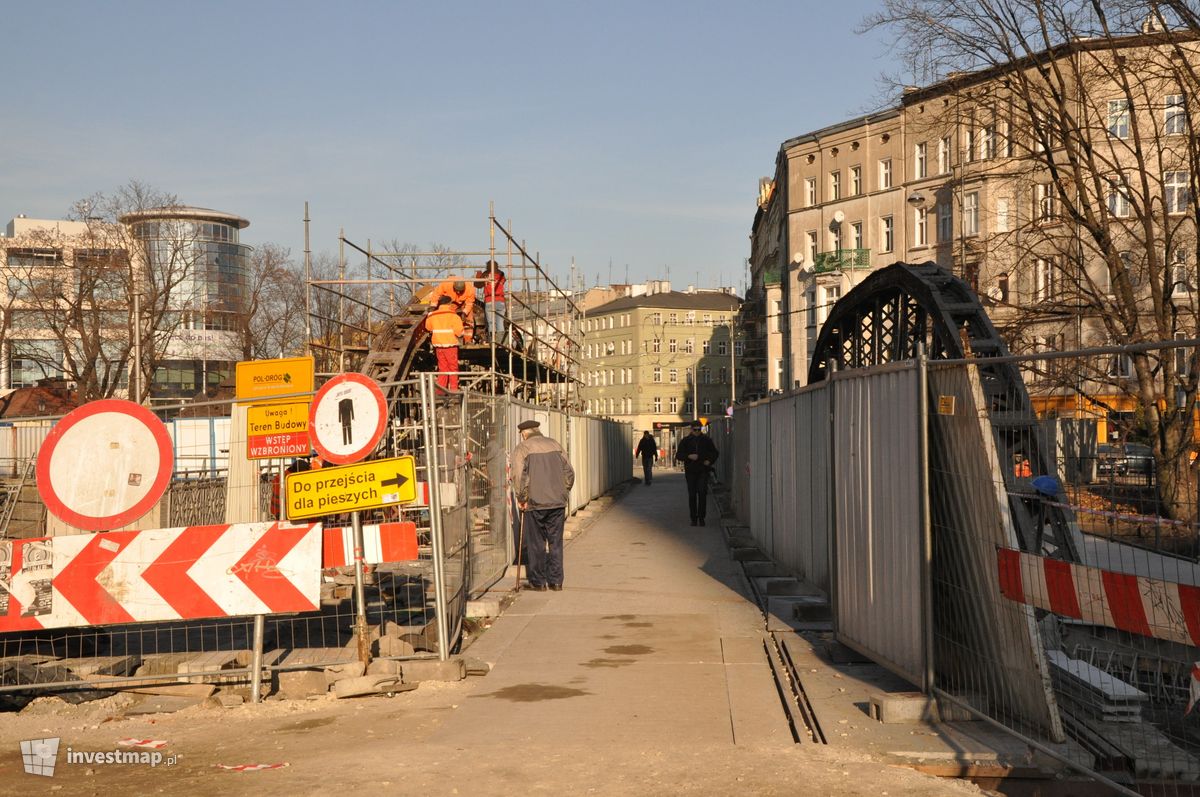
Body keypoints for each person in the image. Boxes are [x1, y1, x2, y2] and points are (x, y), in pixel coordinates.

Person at [510, 419, 575, 591]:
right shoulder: (555, 444)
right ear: (537, 430)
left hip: (535, 503)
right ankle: (556, 581)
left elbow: (518, 475)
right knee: (556, 543)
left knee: (536, 543)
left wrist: (522, 497)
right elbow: (569, 472)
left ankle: (538, 582)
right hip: (557, 502)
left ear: (524, 433)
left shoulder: (522, 448)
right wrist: (563, 491)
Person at [674, 420, 719, 526]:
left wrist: (709, 461)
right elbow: (678, 455)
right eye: (695, 430)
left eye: (699, 430)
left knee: (702, 493)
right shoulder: (685, 441)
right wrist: (688, 456)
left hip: (703, 470)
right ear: (691, 429)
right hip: (690, 471)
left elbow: (715, 453)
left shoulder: (706, 440)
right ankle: (693, 518)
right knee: (692, 495)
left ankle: (702, 518)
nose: (697, 432)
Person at [424, 295, 464, 392]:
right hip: (450, 345)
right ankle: (454, 390)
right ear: (449, 304)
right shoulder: (454, 316)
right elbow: (460, 332)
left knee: (443, 369)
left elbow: (428, 328)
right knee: (453, 368)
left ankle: (440, 391)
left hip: (438, 346)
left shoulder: (432, 315)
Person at [477, 262, 506, 342]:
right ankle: (500, 342)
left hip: (489, 300)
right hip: (500, 301)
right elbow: (504, 280)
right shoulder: (501, 275)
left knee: (491, 323)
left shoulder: (485, 275)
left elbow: (477, 285)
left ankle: (493, 341)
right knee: (500, 323)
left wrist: (478, 275)